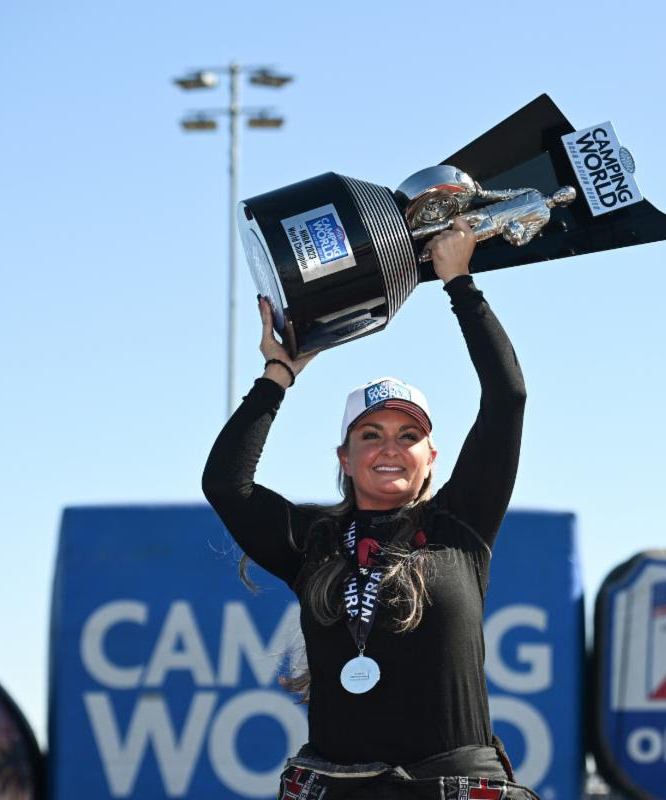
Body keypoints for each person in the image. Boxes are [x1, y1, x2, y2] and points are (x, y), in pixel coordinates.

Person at [202, 218, 538, 800]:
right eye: (371, 435)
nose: (390, 448)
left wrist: (459, 284)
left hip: (454, 786)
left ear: (430, 457)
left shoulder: (460, 524)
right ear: (346, 456)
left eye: (408, 436)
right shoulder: (313, 540)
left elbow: (507, 397)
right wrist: (278, 375)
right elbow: (227, 486)